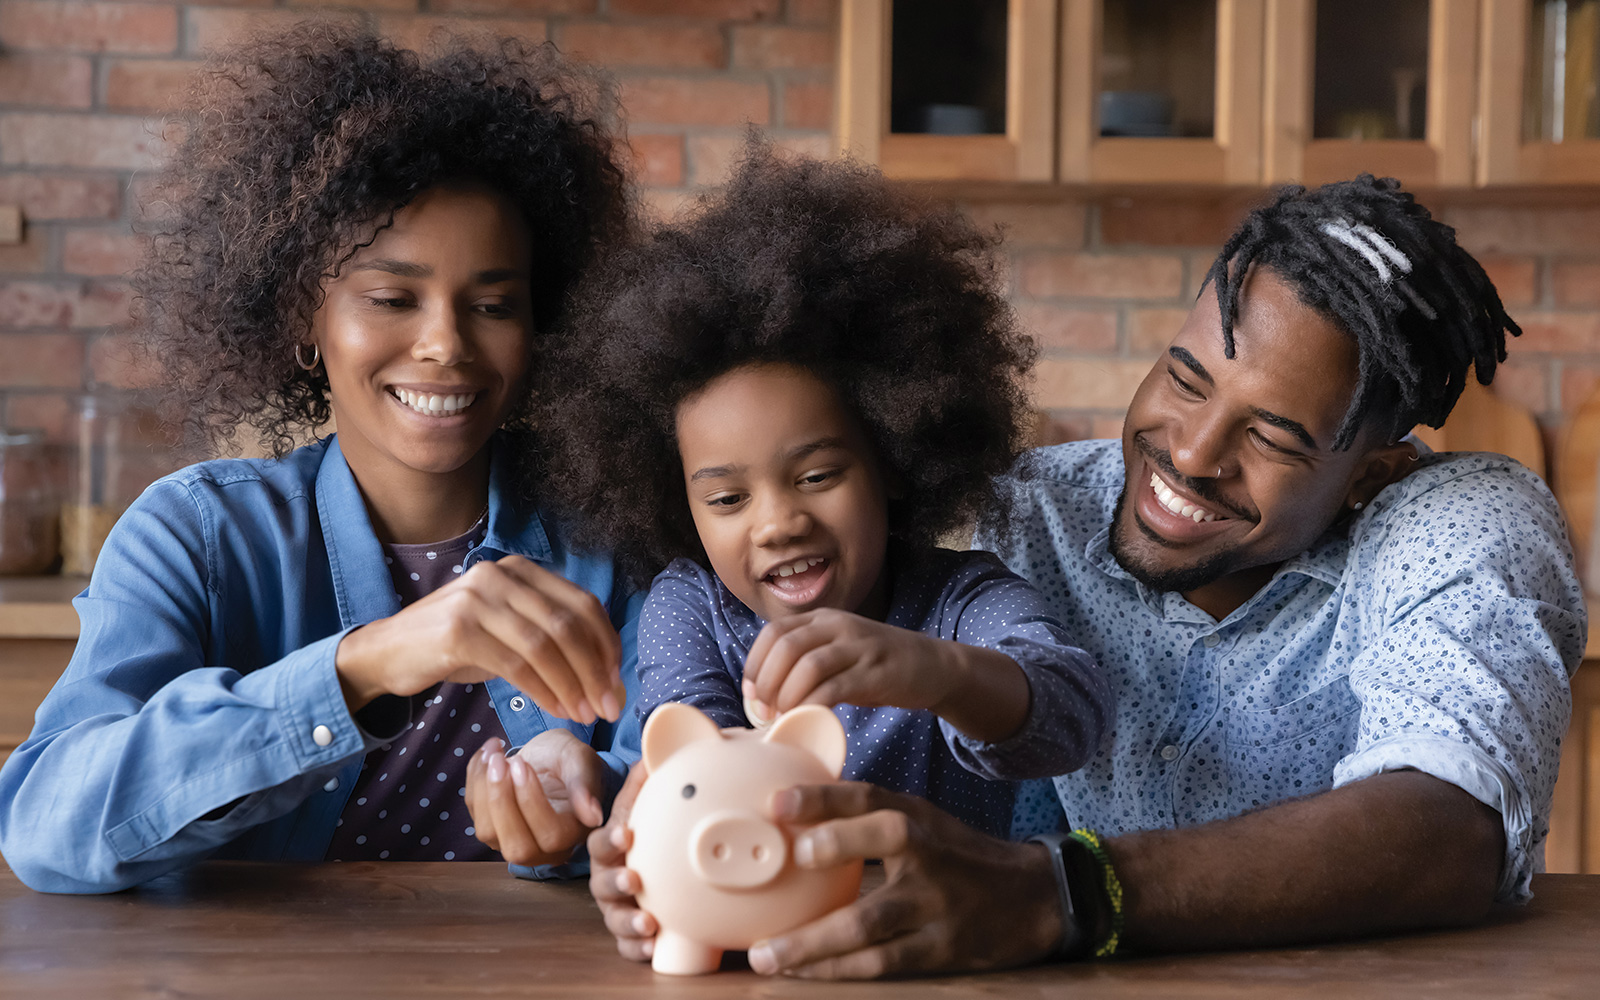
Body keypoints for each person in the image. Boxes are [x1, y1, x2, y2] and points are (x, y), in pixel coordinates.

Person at [586, 175, 1588, 977]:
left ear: (1372, 468)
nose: (1190, 453)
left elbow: (1446, 830)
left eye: (1272, 436)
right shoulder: (1031, 510)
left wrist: (1058, 892)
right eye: (1186, 377)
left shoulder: (1462, 519)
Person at [0, 25, 640, 893]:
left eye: (493, 304)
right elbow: (46, 824)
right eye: (391, 298)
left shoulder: (620, 537)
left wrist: (598, 802)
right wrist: (368, 663)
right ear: (306, 314)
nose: (445, 344)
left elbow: (697, 778)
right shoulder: (197, 535)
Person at [465, 144, 1112, 866]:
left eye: (816, 476)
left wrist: (934, 670)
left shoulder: (963, 602)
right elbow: (689, 755)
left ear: (893, 461)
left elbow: (1072, 714)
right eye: (728, 497)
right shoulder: (694, 607)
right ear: (679, 504)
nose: (777, 524)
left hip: (942, 952)